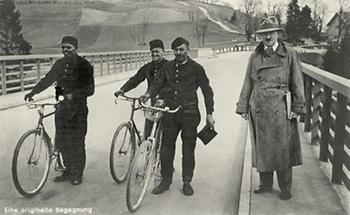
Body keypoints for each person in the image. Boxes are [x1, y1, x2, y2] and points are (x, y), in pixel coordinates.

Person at [235, 16, 305, 200]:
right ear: (260, 37)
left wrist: (297, 106)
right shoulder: (255, 56)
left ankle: (285, 187)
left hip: (281, 106)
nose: (267, 37)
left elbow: (297, 81)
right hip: (259, 106)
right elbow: (247, 82)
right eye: (264, 34)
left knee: (283, 148)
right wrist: (243, 105)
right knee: (262, 147)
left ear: (278, 34)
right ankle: (265, 184)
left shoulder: (289, 53)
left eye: (271, 33)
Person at [142, 37, 215, 196]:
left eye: (182, 49)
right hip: (170, 114)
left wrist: (210, 113)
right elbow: (157, 84)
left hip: (190, 115)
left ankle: (187, 181)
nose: (178, 53)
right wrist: (149, 94)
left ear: (187, 49)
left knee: (188, 149)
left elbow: (207, 91)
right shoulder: (167, 67)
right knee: (166, 149)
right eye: (175, 50)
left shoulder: (197, 68)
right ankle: (165, 181)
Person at [24, 36, 95, 185]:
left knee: (77, 141)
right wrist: (32, 92)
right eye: (63, 47)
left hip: (78, 110)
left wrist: (73, 95)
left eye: (68, 47)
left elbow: (90, 89)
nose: (65, 50)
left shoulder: (85, 65)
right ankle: (68, 171)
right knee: (62, 140)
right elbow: (47, 79)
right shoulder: (59, 64)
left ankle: (77, 174)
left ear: (76, 48)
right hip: (62, 109)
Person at [114, 39, 168, 139]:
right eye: (152, 52)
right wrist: (123, 90)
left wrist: (157, 95)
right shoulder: (148, 67)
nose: (155, 54)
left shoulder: (169, 66)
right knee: (148, 126)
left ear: (163, 51)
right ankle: (145, 147)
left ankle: (160, 151)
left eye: (157, 51)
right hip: (152, 101)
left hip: (166, 101)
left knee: (164, 131)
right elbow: (136, 79)